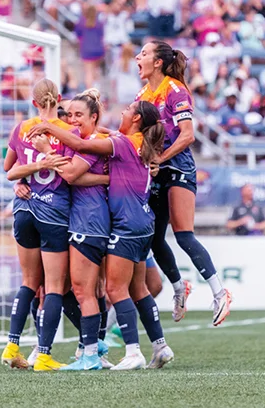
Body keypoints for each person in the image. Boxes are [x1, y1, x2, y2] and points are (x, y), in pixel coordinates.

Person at [28, 100, 175, 371]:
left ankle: (111, 351)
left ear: (137, 119)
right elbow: (100, 139)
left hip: (119, 224)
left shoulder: (120, 144)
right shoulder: (134, 141)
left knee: (109, 289)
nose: (122, 112)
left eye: (128, 110)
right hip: (140, 222)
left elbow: (77, 164)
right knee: (134, 288)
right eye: (69, 115)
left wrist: (49, 129)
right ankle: (158, 345)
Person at [135, 41, 232, 326]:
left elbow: (188, 135)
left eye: (143, 54)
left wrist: (161, 158)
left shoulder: (175, 89)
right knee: (154, 239)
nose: (137, 57)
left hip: (178, 168)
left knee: (183, 234)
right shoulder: (142, 95)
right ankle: (179, 287)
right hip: (156, 171)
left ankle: (219, 292)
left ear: (158, 62)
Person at [34, 90, 112, 371]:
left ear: (93, 116)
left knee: (84, 291)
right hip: (76, 219)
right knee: (70, 288)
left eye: (79, 115)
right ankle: (93, 345)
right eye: (69, 115)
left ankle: (91, 353)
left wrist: (46, 151)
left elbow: (68, 174)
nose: (72, 119)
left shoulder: (94, 141)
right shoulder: (83, 139)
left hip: (90, 220)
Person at [0, 79, 72, 371]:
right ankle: (43, 355)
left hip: (23, 210)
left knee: (28, 282)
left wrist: (23, 178)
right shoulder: (69, 132)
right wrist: (45, 162)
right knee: (54, 286)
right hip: (53, 211)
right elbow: (71, 172)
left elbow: (8, 168)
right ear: (59, 98)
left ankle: (11, 345)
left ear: (34, 103)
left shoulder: (22, 128)